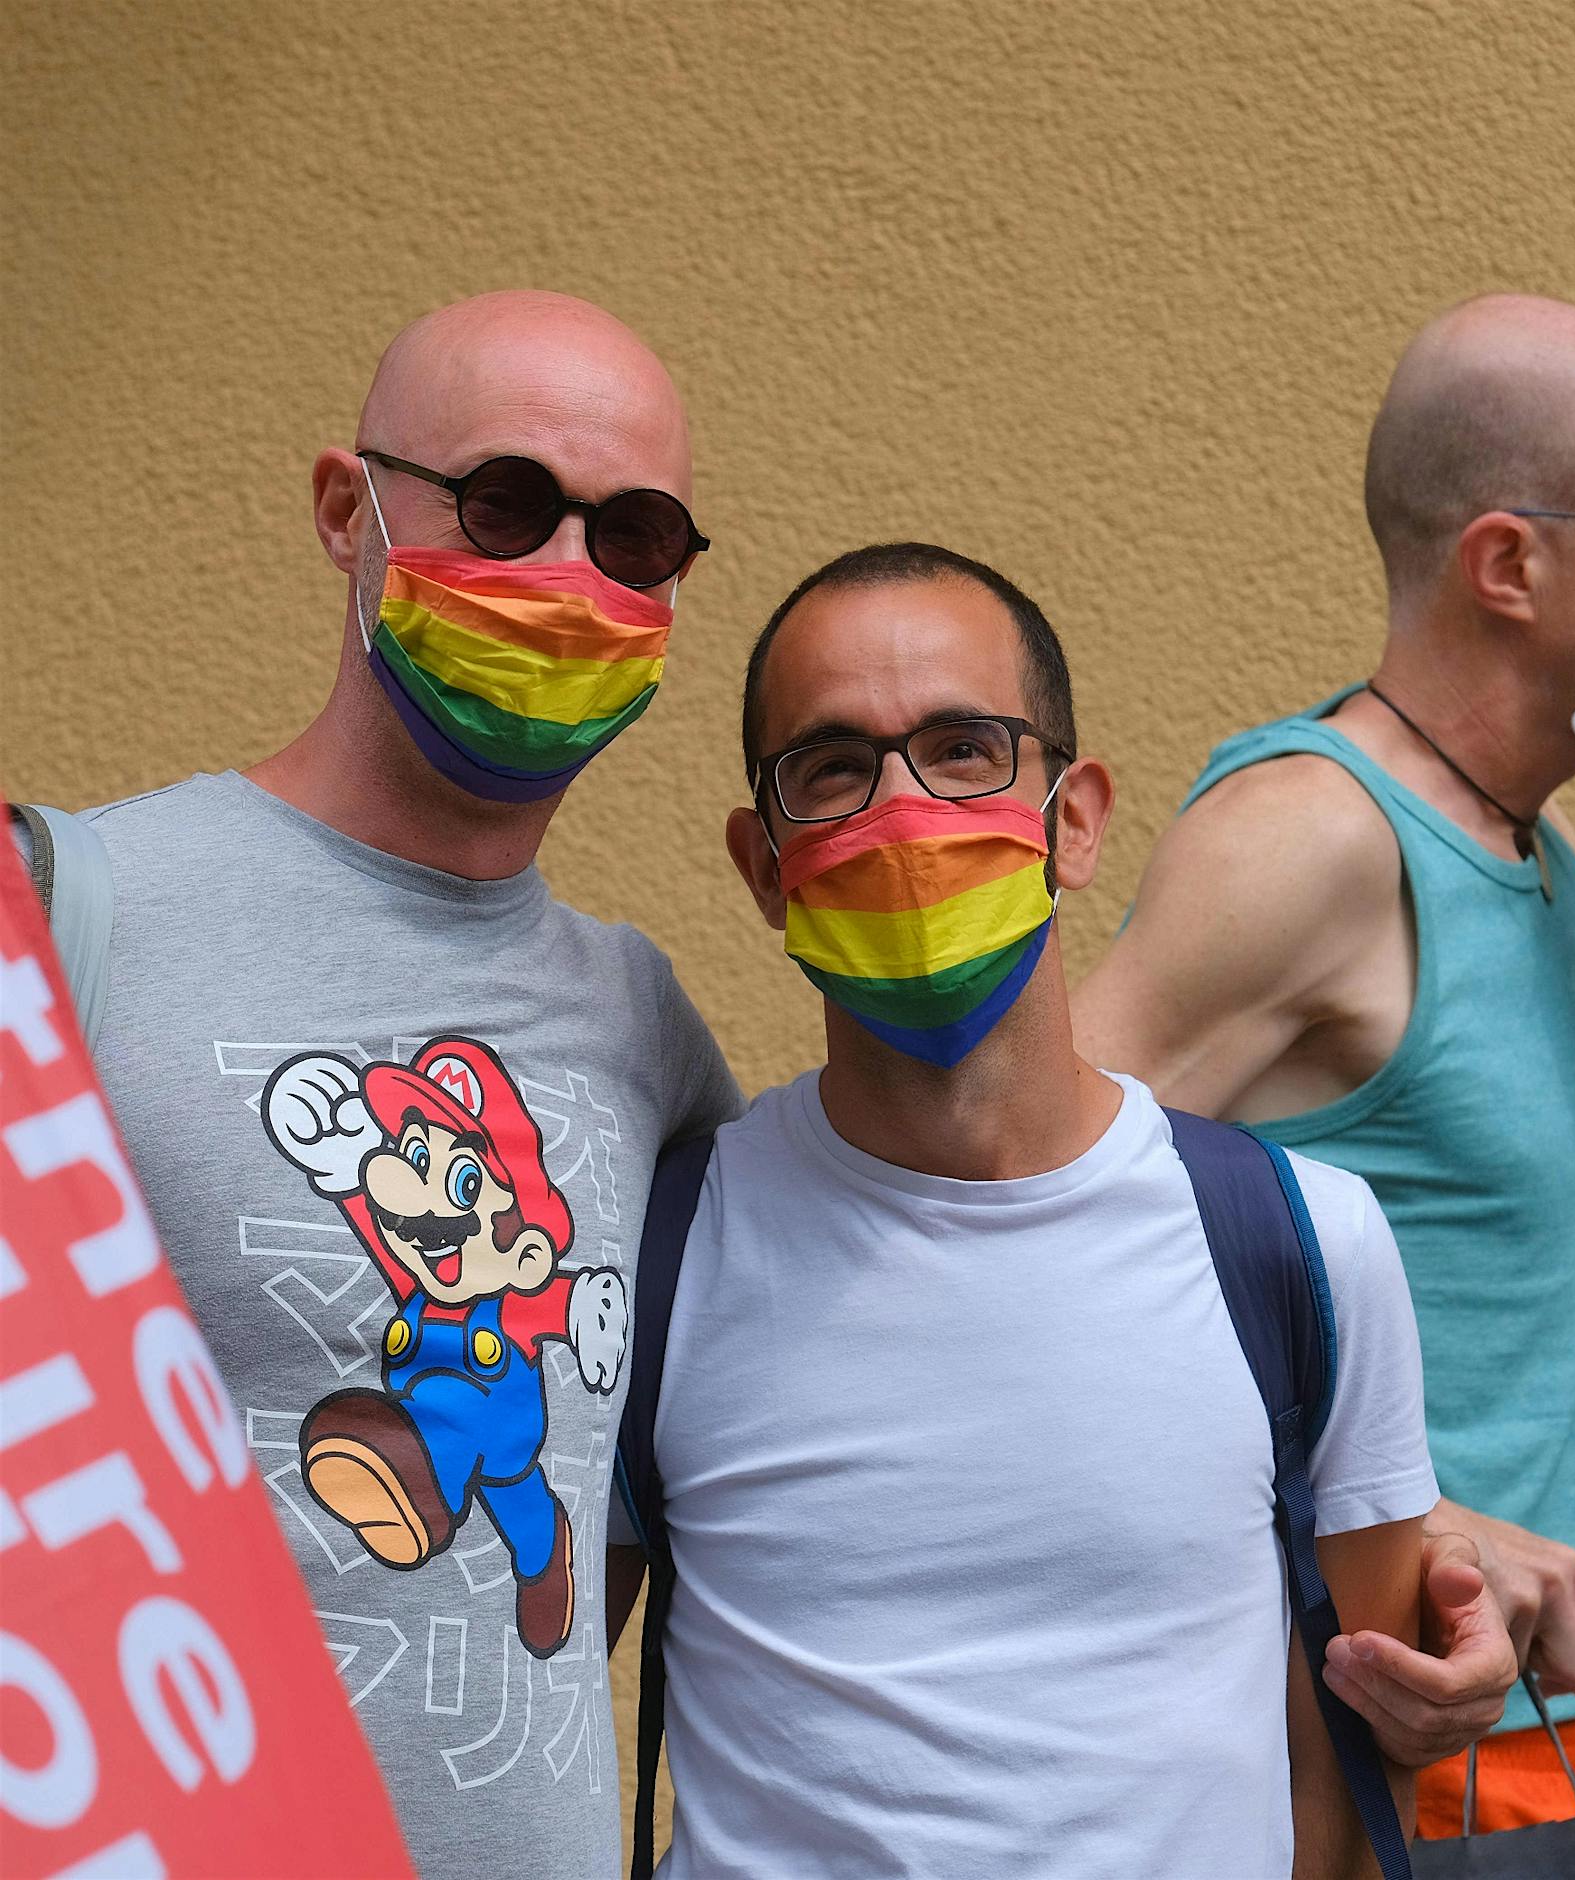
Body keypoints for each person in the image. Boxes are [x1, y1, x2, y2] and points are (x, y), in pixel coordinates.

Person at [1075, 293, 1575, 1834]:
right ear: (1510, 563)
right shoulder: (1313, 837)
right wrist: (1409, 1520)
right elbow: (1002, 1230)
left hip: (1524, 1759)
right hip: (1334, 1770)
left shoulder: (1540, 861)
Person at [34, 292, 744, 1877]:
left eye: (634, 539)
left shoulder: (646, 1030)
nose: (567, 580)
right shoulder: (71, 918)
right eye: (501, 505)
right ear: (347, 511)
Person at [614, 541, 1443, 1877]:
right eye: (833, 767)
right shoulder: (655, 1255)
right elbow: (506, 1718)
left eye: (962, 747)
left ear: (1076, 816)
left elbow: (1365, 1753)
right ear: (764, 869)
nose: (902, 810)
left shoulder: (1305, 1244)